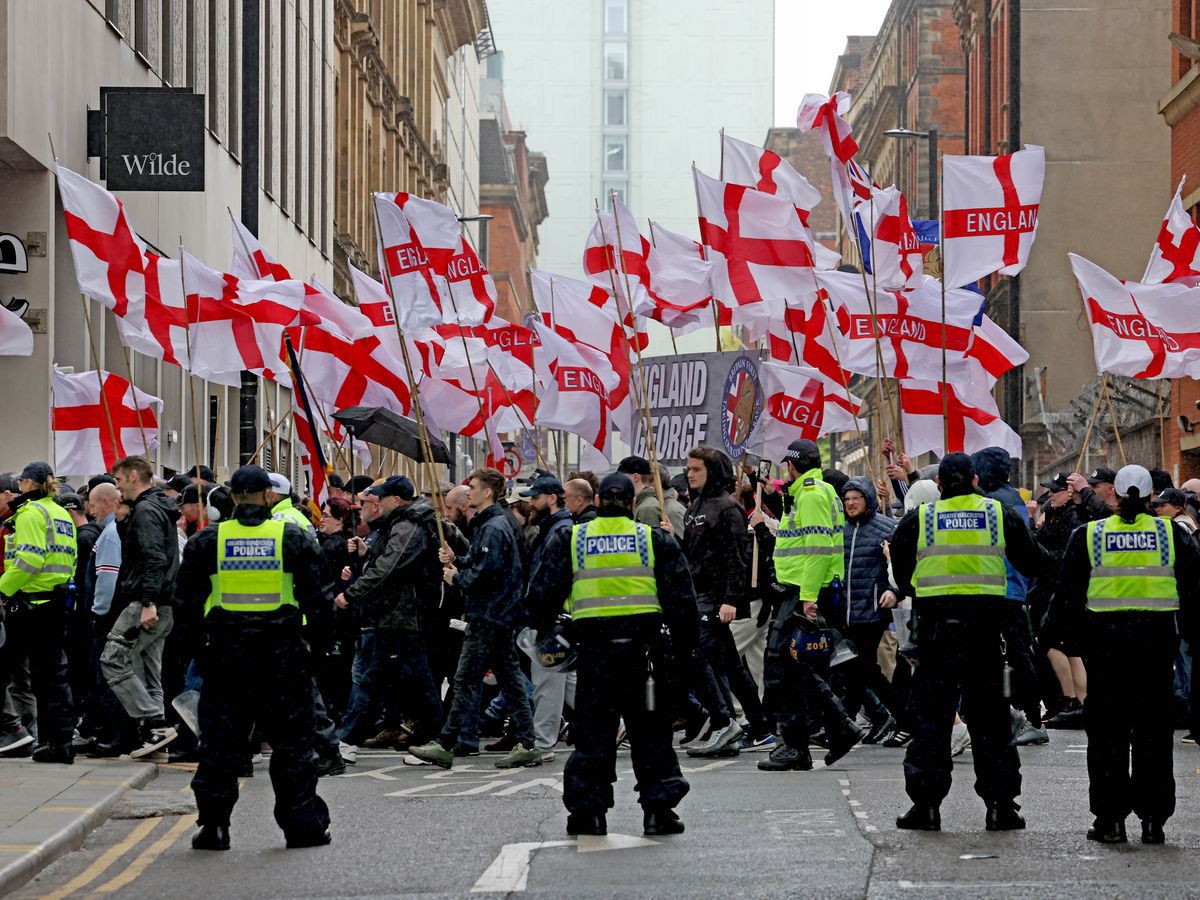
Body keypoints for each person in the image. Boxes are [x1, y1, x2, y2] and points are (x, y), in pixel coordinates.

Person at [526, 472, 699, 836]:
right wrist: (683, 654)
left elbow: (540, 598)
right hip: (645, 656)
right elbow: (683, 604)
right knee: (651, 735)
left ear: (600, 501)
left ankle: (589, 814)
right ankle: (658, 811)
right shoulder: (653, 540)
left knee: (593, 736)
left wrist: (551, 630)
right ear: (632, 503)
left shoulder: (572, 538)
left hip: (594, 654)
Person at [889, 453, 1048, 832]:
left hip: (936, 632)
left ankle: (926, 807)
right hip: (984, 632)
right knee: (991, 721)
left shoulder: (921, 518)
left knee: (932, 721)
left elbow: (900, 563)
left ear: (940, 483)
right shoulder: (998, 515)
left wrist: (922, 589)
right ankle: (1001, 807)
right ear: (975, 479)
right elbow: (1032, 562)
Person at [176, 464, 332, 851]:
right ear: (267, 496)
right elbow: (320, 600)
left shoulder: (207, 541)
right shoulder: (293, 538)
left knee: (220, 747)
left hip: (227, 657)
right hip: (283, 656)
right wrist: (318, 649)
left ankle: (213, 826)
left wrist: (199, 651)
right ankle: (302, 827)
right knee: (292, 747)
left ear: (231, 497)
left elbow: (186, 606)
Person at [1043, 465, 1198, 844]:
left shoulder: (1090, 534)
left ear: (1114, 495)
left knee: (1108, 738)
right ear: (1151, 497)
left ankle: (1111, 821)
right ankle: (1153, 821)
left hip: (1105, 651)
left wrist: (1057, 638)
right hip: (1155, 649)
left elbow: (1067, 595)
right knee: (1153, 737)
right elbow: (1194, 590)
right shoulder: (1171, 534)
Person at [410, 468, 541, 770]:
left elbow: (487, 573)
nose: (468, 491)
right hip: (497, 614)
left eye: (474, 486)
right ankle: (527, 741)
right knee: (508, 681)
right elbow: (482, 560)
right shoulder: (491, 523)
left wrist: (458, 578)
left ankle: (445, 743)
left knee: (466, 679)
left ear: (488, 492)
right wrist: (456, 558)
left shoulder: (494, 526)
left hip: (490, 614)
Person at [759, 440, 862, 772]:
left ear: (791, 466)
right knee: (796, 667)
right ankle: (827, 733)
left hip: (804, 593)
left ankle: (805, 740)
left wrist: (807, 597)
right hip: (800, 590)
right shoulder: (806, 492)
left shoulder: (813, 494)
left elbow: (817, 548)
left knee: (782, 664)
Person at [333, 476, 443, 750]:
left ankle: (433, 737)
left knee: (409, 680)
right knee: (388, 679)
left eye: (381, 497)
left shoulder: (409, 526)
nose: (377, 502)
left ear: (397, 500)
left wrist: (351, 593)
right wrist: (365, 552)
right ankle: (427, 736)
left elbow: (389, 568)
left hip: (405, 614)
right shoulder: (398, 524)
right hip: (395, 613)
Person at [682, 446, 768, 756]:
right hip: (699, 596)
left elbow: (738, 558)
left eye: (696, 469)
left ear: (713, 472)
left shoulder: (727, 509)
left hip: (716, 600)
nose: (689, 474)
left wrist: (731, 599)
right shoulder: (695, 508)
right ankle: (760, 727)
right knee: (731, 665)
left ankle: (723, 723)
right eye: (688, 469)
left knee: (699, 657)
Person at [104, 455, 181, 759]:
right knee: (147, 668)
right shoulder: (156, 508)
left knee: (113, 659)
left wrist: (148, 601)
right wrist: (124, 523)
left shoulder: (147, 510)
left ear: (133, 476)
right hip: (163, 602)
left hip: (149, 602)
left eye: (119, 481)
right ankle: (154, 737)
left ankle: (155, 723)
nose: (118, 488)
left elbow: (153, 558)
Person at [0, 462, 78, 762]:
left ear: (28, 484)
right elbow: (69, 560)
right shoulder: (61, 513)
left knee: (8, 668)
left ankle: (12, 732)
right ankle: (59, 743)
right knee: (51, 677)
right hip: (56, 602)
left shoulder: (31, 513)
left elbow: (29, 561)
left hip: (30, 604)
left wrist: (3, 589)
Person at [837, 476, 899, 744]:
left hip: (873, 610)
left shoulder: (887, 528)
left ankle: (898, 714)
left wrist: (893, 591)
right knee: (852, 669)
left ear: (868, 499)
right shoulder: (838, 530)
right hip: (844, 612)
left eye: (856, 498)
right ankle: (850, 724)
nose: (850, 503)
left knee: (862, 667)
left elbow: (901, 567)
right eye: (846, 499)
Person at [520, 473, 576, 762]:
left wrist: (538, 614)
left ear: (552, 499)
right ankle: (613, 724)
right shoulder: (553, 528)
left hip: (551, 616)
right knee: (567, 682)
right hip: (557, 615)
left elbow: (549, 578)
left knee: (548, 682)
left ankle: (543, 744)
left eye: (536, 497)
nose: (531, 503)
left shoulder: (559, 530)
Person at [1033, 474, 1088, 729]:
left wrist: (1042, 555)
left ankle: (1073, 701)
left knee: (1058, 646)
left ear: (1069, 492)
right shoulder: (1053, 513)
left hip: (1064, 591)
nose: (1051, 495)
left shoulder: (1073, 517)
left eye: (1056, 491)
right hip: (1050, 589)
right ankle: (1075, 701)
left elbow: (1066, 555)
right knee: (1064, 647)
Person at [618, 456, 682, 534]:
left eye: (622, 477)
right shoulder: (642, 504)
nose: (619, 482)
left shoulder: (647, 508)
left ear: (635, 477)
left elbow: (649, 543)